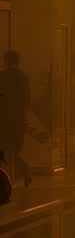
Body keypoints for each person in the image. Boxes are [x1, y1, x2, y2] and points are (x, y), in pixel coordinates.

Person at [0, 51, 31, 188]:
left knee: (5, 150)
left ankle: (15, 175)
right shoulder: (24, 77)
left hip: (4, 118)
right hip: (19, 119)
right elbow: (27, 100)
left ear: (6, 61)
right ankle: (22, 170)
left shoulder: (3, 76)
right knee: (13, 150)